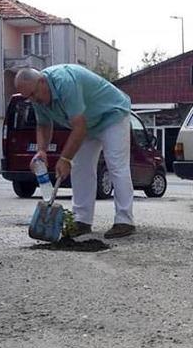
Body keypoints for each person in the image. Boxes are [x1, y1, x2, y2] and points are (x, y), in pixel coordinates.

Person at [14, 65, 135, 239]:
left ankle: (125, 221)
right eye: (28, 98)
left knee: (116, 165)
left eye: (33, 94)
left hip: (112, 114)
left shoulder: (65, 82)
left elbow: (79, 127)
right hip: (88, 123)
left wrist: (64, 158)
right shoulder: (37, 97)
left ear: (42, 81)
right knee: (81, 169)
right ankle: (82, 221)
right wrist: (41, 151)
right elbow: (44, 125)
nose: (33, 100)